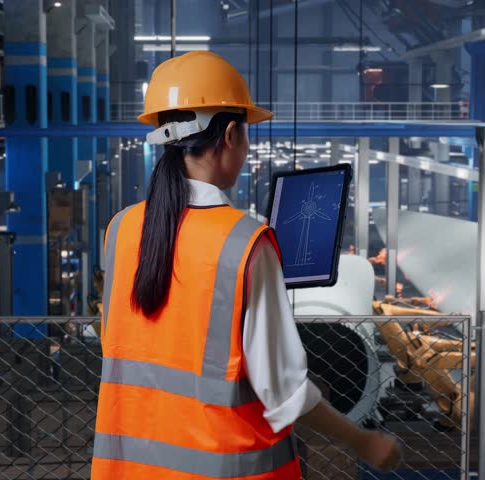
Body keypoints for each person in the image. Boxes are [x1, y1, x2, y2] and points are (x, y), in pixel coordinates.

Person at [91, 51, 401, 479]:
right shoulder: (245, 244)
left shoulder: (121, 229)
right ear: (231, 135)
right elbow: (285, 392)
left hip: (130, 469)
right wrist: (364, 441)